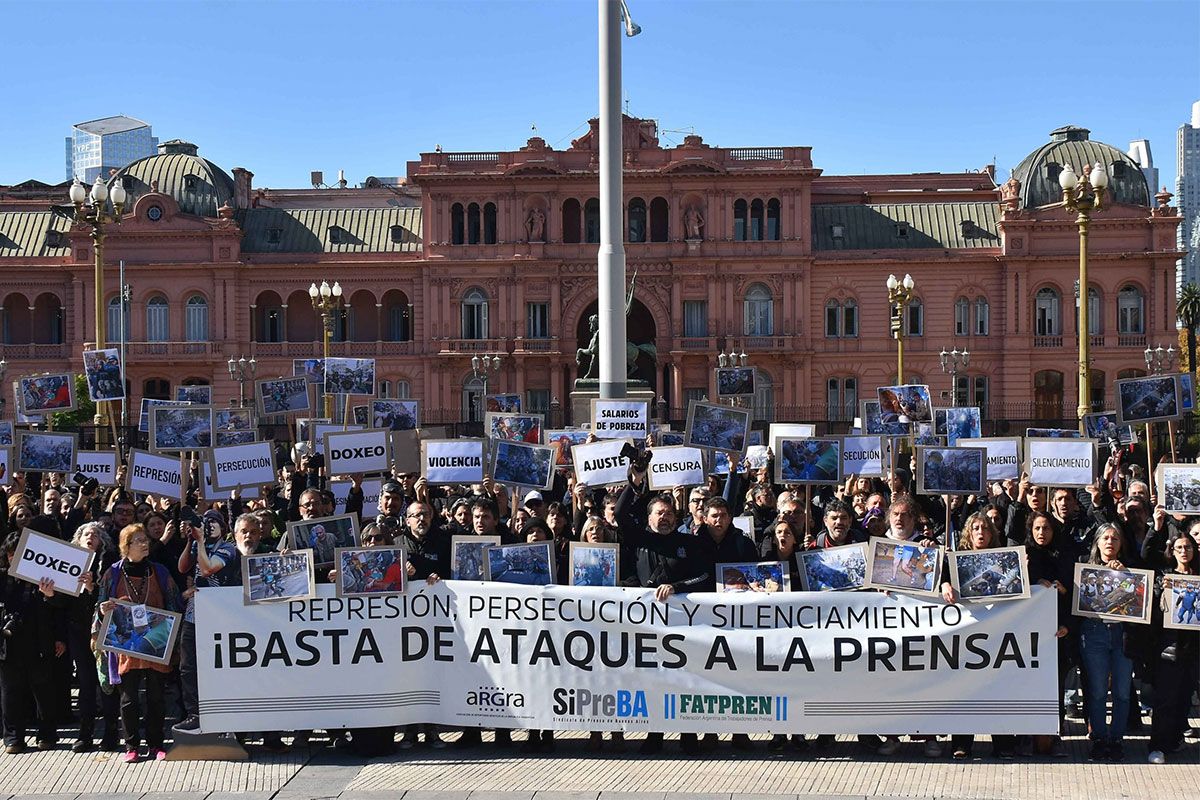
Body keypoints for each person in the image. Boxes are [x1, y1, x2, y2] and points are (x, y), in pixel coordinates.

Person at [96, 523, 183, 763]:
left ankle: (156, 744)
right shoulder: (112, 573)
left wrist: (170, 635)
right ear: (126, 546)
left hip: (156, 644)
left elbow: (174, 604)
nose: (145, 544)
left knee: (156, 697)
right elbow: (101, 604)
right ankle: (132, 745)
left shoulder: (160, 572)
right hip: (127, 647)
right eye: (138, 540)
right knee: (129, 698)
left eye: (146, 539)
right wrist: (103, 610)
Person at [1140, 514, 1199, 765]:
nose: (1184, 551)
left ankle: (1174, 741)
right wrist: (1160, 592)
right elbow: (1145, 554)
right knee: (1165, 700)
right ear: (1171, 551)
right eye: (1179, 547)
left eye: (1188, 547)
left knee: (1184, 700)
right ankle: (1158, 746)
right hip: (1170, 648)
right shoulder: (1165, 577)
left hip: (1195, 649)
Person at [1077, 524, 1138, 762]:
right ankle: (1099, 738)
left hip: (1122, 634)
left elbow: (1137, 603)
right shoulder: (1085, 566)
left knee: (1122, 692)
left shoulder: (1130, 568)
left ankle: (1117, 739)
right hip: (1094, 632)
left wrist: (1126, 575)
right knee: (1098, 690)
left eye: (1115, 538)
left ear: (1121, 544)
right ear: (1098, 543)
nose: (1110, 542)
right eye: (1106, 538)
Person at [0, 532, 64, 754]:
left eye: (21, 553)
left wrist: (49, 596)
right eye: (11, 554)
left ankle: (47, 735)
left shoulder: (44, 577)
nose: (15, 558)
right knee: (10, 692)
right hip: (8, 644)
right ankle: (13, 738)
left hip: (40, 641)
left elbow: (59, 611)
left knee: (44, 691)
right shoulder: (2, 579)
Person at [67, 522, 120, 752]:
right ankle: (85, 735)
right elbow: (62, 603)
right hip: (78, 632)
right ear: (78, 540)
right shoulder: (67, 563)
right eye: (86, 533)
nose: (91, 537)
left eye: (96, 535)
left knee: (106, 683)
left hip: (104, 631)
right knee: (86, 685)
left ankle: (110, 734)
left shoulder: (108, 565)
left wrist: (92, 588)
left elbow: (109, 598)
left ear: (102, 542)